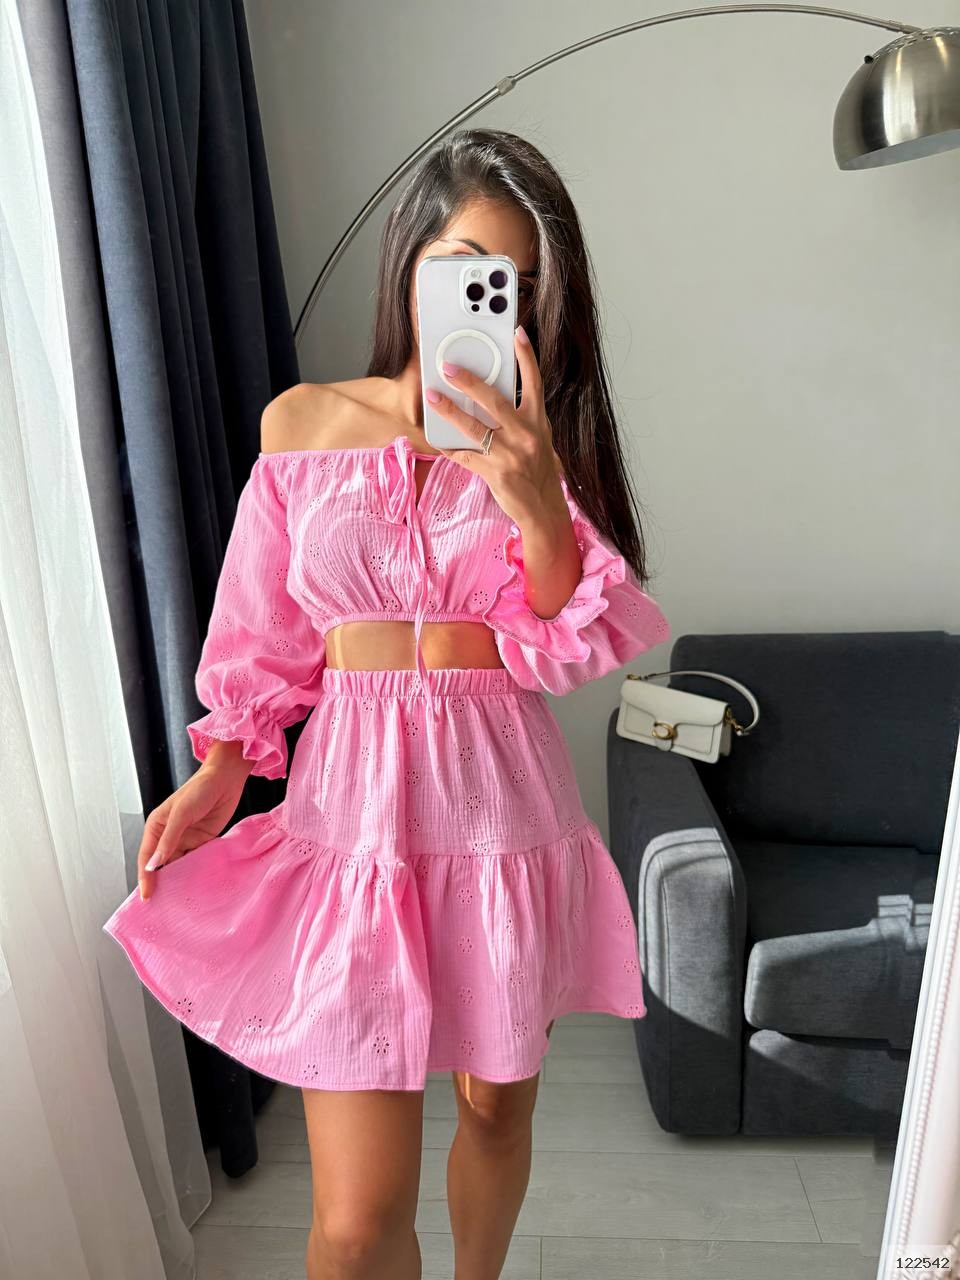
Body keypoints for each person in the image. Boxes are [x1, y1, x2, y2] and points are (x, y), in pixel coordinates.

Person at [103, 127, 671, 1280]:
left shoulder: (544, 444)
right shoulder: (302, 423)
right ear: (409, 259)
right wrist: (223, 765)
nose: (488, 298)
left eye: (515, 281)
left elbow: (562, 645)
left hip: (499, 808)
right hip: (352, 820)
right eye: (466, 266)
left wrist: (538, 503)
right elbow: (264, 628)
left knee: (497, 1106)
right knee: (358, 1220)